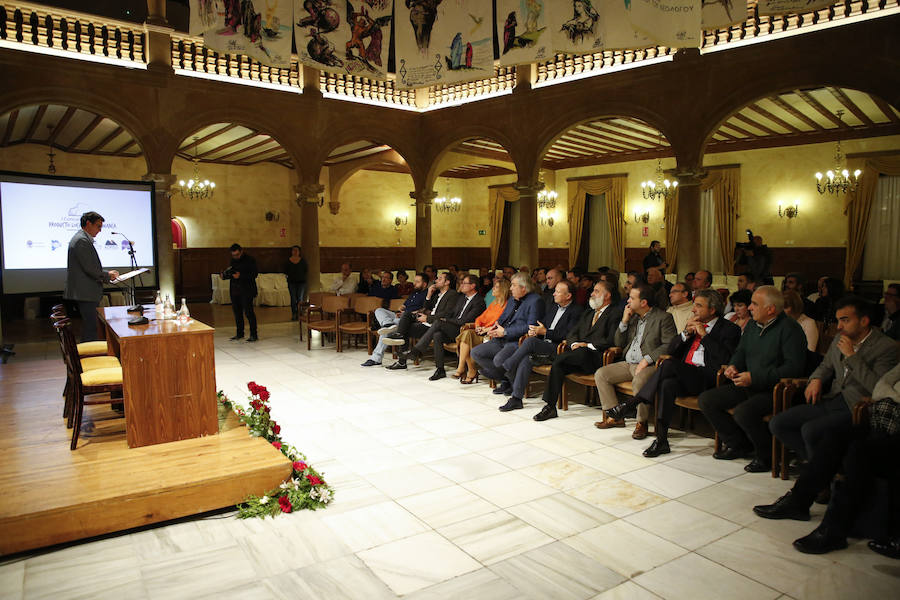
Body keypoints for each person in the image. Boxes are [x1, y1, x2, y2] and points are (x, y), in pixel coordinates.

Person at [753, 363, 900, 557]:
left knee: (859, 451)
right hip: (883, 423)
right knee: (834, 437)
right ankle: (798, 501)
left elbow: (880, 390)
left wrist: (891, 395)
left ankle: (834, 529)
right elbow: (880, 387)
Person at [606, 289, 741, 456]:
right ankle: (661, 440)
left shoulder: (730, 329)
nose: (693, 310)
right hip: (687, 375)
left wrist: (704, 336)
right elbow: (670, 350)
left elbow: (725, 358)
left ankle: (633, 403)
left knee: (668, 364)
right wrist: (685, 334)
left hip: (709, 377)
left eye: (699, 306)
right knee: (667, 384)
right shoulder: (692, 324)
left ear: (712, 310)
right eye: (694, 305)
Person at [769, 296, 897, 462]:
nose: (839, 326)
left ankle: (819, 470)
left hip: (859, 407)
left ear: (864, 321)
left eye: (845, 320)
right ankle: (821, 466)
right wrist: (816, 379)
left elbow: (878, 388)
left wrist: (851, 356)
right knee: (778, 423)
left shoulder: (886, 347)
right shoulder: (839, 338)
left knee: (811, 430)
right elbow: (825, 366)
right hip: (832, 399)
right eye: (838, 320)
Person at [698, 286, 807, 472]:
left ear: (770, 309)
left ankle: (767, 456)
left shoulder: (790, 329)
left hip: (774, 389)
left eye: (755, 304)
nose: (749, 308)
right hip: (749, 383)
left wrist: (755, 377)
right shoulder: (752, 326)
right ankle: (739, 444)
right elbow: (741, 352)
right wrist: (733, 366)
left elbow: (794, 368)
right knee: (707, 400)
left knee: (744, 412)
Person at [594, 283, 677, 439]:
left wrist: (647, 359)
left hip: (651, 365)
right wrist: (624, 321)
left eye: (632, 298)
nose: (628, 301)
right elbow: (618, 343)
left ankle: (641, 423)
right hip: (629, 363)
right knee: (601, 374)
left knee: (639, 381)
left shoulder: (663, 318)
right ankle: (615, 416)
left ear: (643, 302)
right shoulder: (633, 317)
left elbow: (670, 344)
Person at [532, 280, 621, 421]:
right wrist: (574, 344)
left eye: (596, 291)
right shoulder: (588, 313)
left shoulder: (615, 313)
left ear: (607, 295)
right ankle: (550, 407)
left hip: (597, 357)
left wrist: (587, 345)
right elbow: (572, 333)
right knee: (559, 365)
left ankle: (550, 358)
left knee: (571, 355)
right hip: (576, 356)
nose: (592, 294)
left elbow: (611, 340)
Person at [497, 280, 584, 412]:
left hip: (560, 348)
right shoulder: (553, 307)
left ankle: (509, 365)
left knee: (530, 342)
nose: (554, 294)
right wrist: (535, 331)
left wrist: (545, 332)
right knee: (526, 358)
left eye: (558, 292)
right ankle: (516, 399)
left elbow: (568, 334)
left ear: (568, 296)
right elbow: (541, 324)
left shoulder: (577, 311)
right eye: (554, 291)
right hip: (544, 345)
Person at [402, 273, 486, 380]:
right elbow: (451, 313)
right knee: (437, 335)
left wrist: (445, 320)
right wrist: (445, 319)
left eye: (464, 283)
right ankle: (440, 369)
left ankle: (417, 350)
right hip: (453, 328)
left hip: (465, 331)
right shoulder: (462, 298)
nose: (461, 285)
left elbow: (465, 321)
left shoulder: (479, 301)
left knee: (438, 323)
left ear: (473, 286)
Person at [472, 273, 545, 395]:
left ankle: (508, 381)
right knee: (476, 352)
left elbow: (531, 326)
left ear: (523, 288)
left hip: (518, 340)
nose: (510, 288)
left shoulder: (536, 301)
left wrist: (506, 332)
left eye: (513, 285)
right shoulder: (512, 299)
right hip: (501, 338)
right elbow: (503, 317)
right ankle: (505, 377)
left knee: (498, 360)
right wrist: (495, 327)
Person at [63, 211, 119, 342]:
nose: (100, 230)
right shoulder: (81, 240)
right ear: (88, 224)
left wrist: (106, 274)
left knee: (91, 327)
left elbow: (89, 267)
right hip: (85, 293)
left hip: (86, 292)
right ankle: (90, 352)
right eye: (98, 226)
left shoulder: (81, 238)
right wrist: (107, 275)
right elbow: (89, 268)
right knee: (91, 327)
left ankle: (90, 350)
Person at [385, 271, 458, 370]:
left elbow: (446, 314)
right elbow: (426, 308)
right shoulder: (437, 294)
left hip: (438, 325)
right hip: (428, 323)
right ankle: (401, 358)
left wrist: (427, 318)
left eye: (440, 279)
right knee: (405, 323)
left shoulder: (452, 294)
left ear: (447, 282)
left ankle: (406, 347)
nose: (436, 280)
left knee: (405, 325)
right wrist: (429, 294)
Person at [361, 272, 429, 367]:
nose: (414, 283)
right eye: (415, 281)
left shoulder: (428, 294)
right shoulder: (414, 293)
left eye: (417, 282)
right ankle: (388, 323)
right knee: (379, 310)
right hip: (400, 315)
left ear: (424, 284)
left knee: (386, 330)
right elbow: (404, 305)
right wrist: (401, 308)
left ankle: (376, 358)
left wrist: (406, 314)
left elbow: (424, 310)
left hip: (409, 319)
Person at [454, 279, 510, 383]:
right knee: (466, 334)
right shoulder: (494, 304)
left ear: (503, 290)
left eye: (496, 287)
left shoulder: (507, 305)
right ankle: (466, 368)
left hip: (492, 335)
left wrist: (486, 329)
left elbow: (501, 324)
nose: (493, 289)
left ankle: (465, 369)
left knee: (466, 337)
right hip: (482, 332)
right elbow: (480, 318)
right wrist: (478, 326)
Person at [224, 243, 259, 342]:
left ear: (241, 251)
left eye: (237, 255)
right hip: (235, 290)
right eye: (233, 255)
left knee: (249, 312)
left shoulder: (250, 260)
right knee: (237, 313)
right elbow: (232, 273)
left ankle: (254, 335)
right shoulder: (233, 260)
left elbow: (254, 274)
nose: (235, 257)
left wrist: (241, 276)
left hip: (247, 290)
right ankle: (240, 333)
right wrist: (225, 276)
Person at [283, 245, 307, 321]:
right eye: (294, 250)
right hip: (291, 282)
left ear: (299, 252)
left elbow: (305, 270)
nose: (295, 252)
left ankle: (300, 313)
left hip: (301, 282)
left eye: (297, 250)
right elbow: (285, 271)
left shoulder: (302, 261)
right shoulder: (288, 261)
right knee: (293, 298)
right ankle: (294, 313)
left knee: (300, 298)